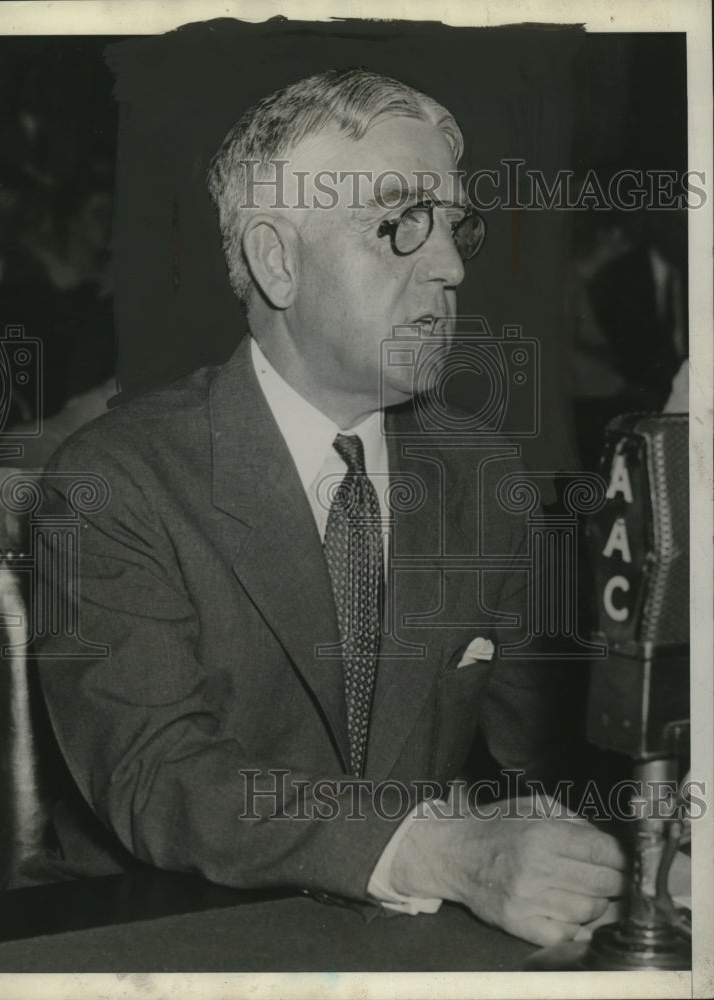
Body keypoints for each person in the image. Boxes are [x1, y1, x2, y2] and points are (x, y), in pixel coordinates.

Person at [38, 68, 627, 948]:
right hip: (160, 938)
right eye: (399, 223)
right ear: (278, 260)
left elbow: (542, 755)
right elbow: (160, 777)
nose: (451, 264)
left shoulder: (482, 476)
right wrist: (445, 851)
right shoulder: (118, 481)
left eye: (455, 223)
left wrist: (643, 847)